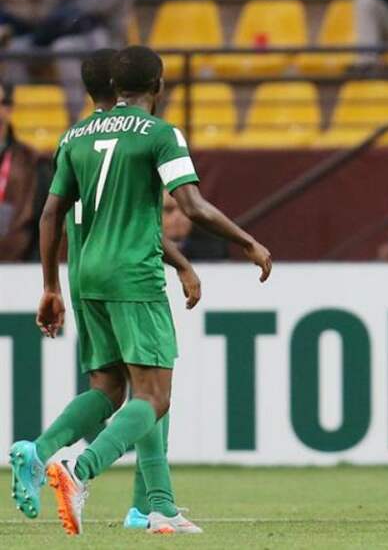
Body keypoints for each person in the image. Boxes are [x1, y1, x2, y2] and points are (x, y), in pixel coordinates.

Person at [21, 45, 272, 536]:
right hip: (133, 274)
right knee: (154, 395)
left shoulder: (76, 134)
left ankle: (154, 505)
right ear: (159, 86)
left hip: (84, 272)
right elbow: (193, 207)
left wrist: (50, 285)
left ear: (116, 88)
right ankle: (80, 471)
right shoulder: (160, 133)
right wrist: (248, 241)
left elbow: (51, 213)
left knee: (110, 387)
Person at [6, 0, 132, 119]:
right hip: (59, 29)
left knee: (64, 49)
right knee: (16, 49)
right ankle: (21, 118)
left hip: (100, 31)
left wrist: (73, 9)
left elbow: (103, 2)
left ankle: (75, 120)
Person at [0, 81, 48, 261]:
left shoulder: (32, 161)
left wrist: (33, 264)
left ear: (9, 108)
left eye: (2, 102)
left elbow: (44, 220)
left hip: (20, 268)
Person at [163, 189, 229, 261]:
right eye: (168, 209)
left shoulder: (213, 246)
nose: (178, 216)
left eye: (185, 209)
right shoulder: (149, 248)